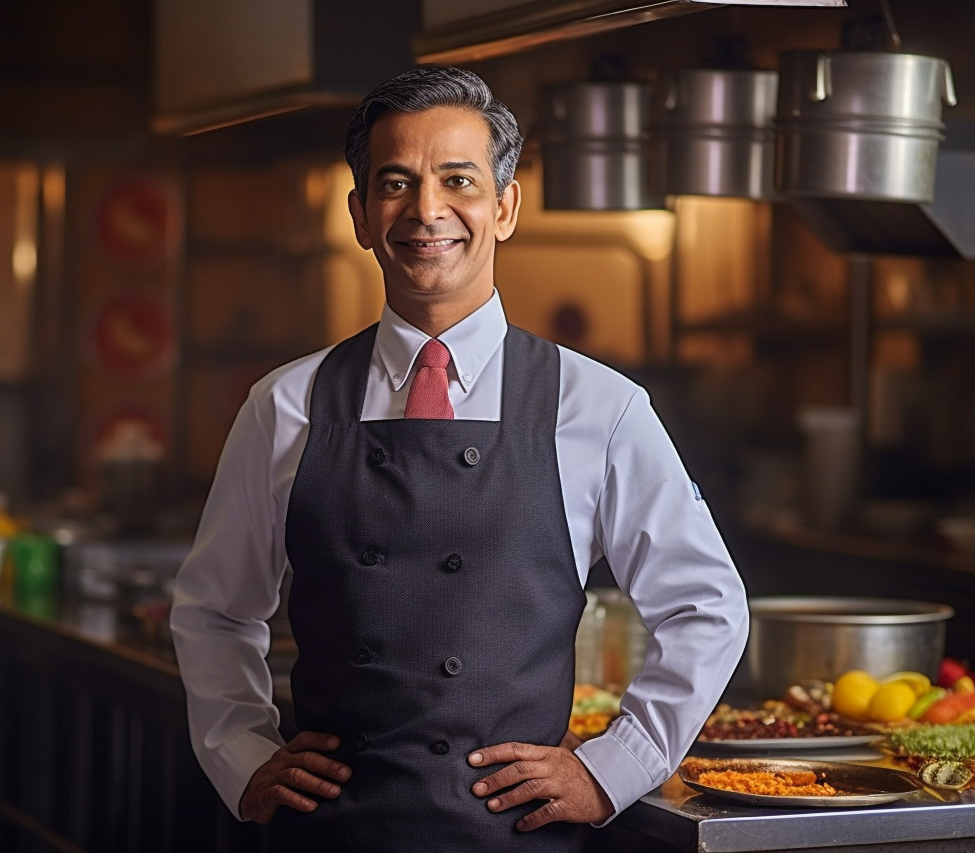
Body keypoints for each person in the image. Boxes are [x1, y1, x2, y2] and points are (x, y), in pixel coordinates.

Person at [170, 65, 748, 852]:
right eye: (395, 183)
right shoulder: (286, 404)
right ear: (361, 215)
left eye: (458, 180)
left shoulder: (599, 406)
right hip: (328, 834)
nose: (426, 210)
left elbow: (706, 604)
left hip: (514, 835)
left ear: (504, 207)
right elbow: (214, 608)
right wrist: (241, 753)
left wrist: (614, 766)